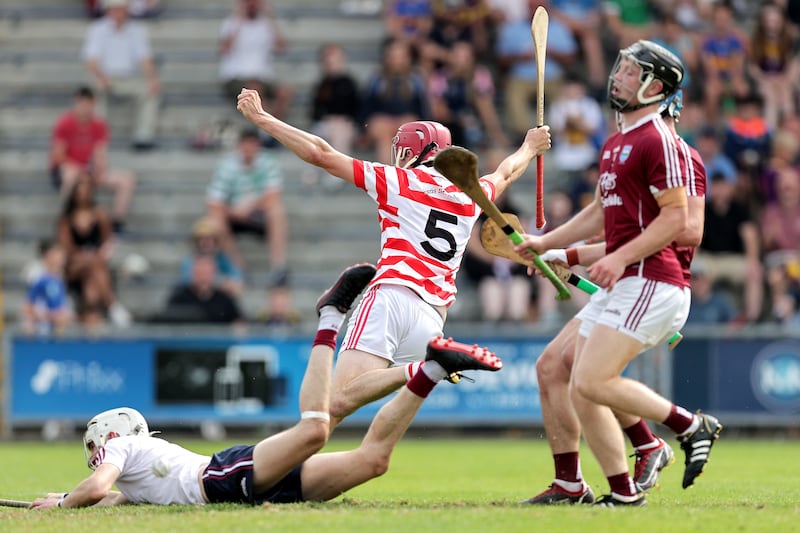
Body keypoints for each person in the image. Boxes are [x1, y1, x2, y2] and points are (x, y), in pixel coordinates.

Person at [29, 264, 503, 509]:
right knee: (372, 462)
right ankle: (432, 370)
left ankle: (330, 317)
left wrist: (64, 506)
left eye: (95, 450)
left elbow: (94, 489)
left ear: (110, 436)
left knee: (316, 429)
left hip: (223, 478)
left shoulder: (124, 448)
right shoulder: (138, 473)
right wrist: (61, 499)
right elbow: (110, 498)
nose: (95, 457)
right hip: (245, 486)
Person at [236, 88, 551, 430]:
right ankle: (429, 365)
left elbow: (320, 154)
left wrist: (262, 118)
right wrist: (530, 147)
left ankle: (428, 366)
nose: (397, 156)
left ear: (417, 151)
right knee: (340, 409)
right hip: (432, 320)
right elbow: (505, 172)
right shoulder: (472, 195)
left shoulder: (398, 180)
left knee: (330, 404)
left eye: (402, 149)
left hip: (393, 297)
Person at [514, 42, 721, 506]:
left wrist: (603, 256)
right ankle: (619, 487)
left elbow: (680, 227)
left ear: (657, 89)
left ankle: (686, 427)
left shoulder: (666, 146)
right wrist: (550, 245)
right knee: (569, 373)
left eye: (632, 72)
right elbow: (599, 211)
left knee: (589, 380)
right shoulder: (615, 143)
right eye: (622, 68)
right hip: (629, 278)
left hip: (654, 279)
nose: (619, 76)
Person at [206, 127, 290, 325]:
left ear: (257, 146)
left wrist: (249, 207)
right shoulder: (227, 166)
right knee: (215, 220)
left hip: (257, 214)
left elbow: (274, 195)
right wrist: (234, 212)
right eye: (245, 144)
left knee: (277, 212)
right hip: (234, 215)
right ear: (240, 146)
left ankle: (278, 266)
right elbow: (213, 202)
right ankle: (236, 265)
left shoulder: (268, 162)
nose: (249, 149)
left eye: (252, 144)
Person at [50, 86, 136, 234]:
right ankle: (65, 218)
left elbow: (100, 151)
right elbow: (58, 156)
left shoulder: (99, 125)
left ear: (93, 104)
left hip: (88, 170)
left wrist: (99, 168)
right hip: (69, 169)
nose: (84, 108)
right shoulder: (65, 123)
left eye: (87, 104)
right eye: (81, 103)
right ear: (76, 104)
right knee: (70, 175)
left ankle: (117, 221)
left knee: (127, 180)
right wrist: (79, 168)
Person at [82, 0, 161, 150]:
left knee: (150, 90)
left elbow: (145, 59)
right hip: (104, 76)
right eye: (115, 9)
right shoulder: (97, 29)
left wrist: (152, 79)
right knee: (96, 86)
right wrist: (102, 76)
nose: (118, 13)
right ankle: (100, 135)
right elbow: (91, 61)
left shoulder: (137, 30)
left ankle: (143, 135)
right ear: (108, 10)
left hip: (128, 78)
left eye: (121, 9)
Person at [57, 178, 132, 329]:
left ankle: (89, 320)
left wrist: (99, 253)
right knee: (93, 264)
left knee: (91, 280)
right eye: (80, 193)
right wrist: (85, 255)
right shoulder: (67, 219)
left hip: (95, 263)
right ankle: (112, 305)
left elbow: (108, 239)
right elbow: (67, 247)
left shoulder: (100, 215)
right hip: (74, 265)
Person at [219, 0, 293, 123]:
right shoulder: (230, 23)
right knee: (255, 89)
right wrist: (239, 20)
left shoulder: (266, 24)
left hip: (263, 76)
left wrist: (270, 18)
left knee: (284, 92)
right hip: (236, 76)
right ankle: (268, 127)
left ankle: (271, 127)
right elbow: (225, 49)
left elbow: (281, 48)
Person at [155, 255, 244, 325]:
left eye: (206, 273)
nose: (203, 277)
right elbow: (167, 320)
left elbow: (238, 321)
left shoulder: (224, 299)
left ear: (213, 274)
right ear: (192, 274)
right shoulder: (180, 296)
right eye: (199, 273)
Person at [180, 216, 244, 298]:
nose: (205, 243)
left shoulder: (223, 258)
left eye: (209, 239)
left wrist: (213, 281)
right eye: (201, 239)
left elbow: (238, 281)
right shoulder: (189, 261)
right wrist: (221, 282)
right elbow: (189, 283)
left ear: (216, 241)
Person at [21, 239, 73, 336]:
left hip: (57, 333)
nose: (61, 257)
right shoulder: (38, 278)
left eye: (61, 254)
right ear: (47, 255)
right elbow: (27, 308)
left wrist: (65, 315)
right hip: (41, 332)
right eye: (57, 253)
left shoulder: (60, 278)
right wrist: (51, 316)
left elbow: (61, 305)